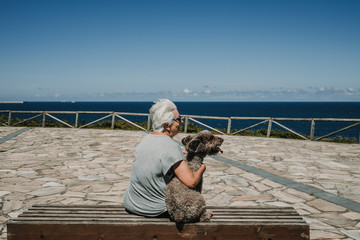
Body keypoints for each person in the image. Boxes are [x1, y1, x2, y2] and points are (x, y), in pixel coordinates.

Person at [123, 99, 206, 217]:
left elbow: (160, 155)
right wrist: (202, 167)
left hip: (132, 204)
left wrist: (178, 156)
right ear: (167, 126)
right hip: (154, 210)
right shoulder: (171, 146)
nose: (181, 121)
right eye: (178, 119)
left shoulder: (146, 139)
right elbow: (191, 182)